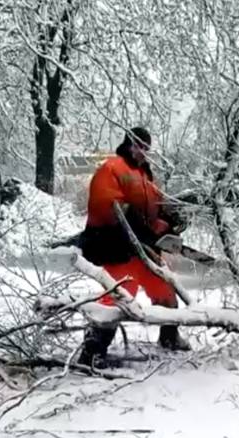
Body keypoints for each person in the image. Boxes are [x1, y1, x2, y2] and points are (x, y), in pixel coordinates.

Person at [77, 127, 191, 368]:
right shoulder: (112, 168)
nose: (142, 152)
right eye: (138, 146)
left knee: (166, 290)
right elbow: (103, 203)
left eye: (146, 148)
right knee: (117, 299)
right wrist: (134, 218)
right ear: (128, 144)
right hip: (118, 247)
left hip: (145, 249)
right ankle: (92, 352)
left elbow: (154, 209)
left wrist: (169, 219)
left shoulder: (145, 176)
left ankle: (169, 337)